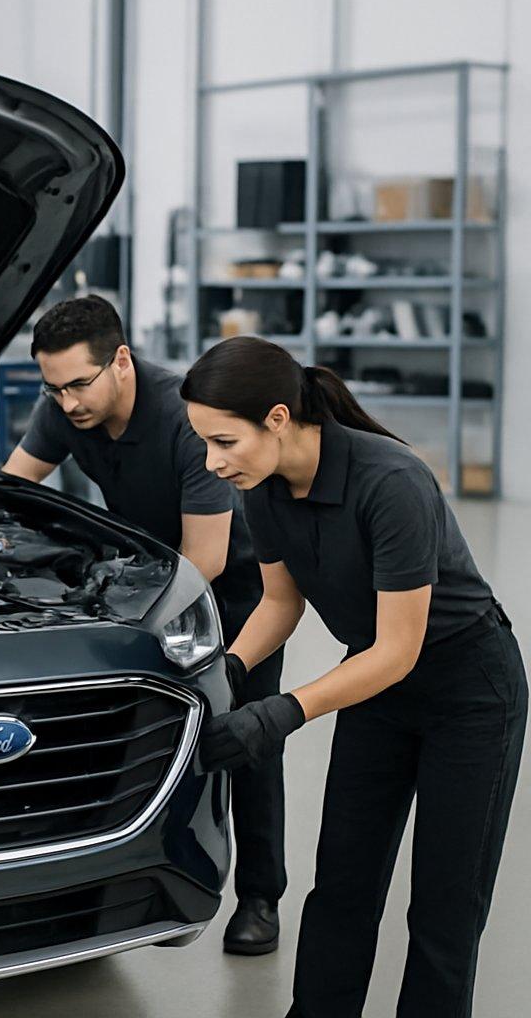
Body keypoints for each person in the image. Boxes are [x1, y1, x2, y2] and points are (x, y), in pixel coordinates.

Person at [182, 335, 525, 1018]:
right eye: (205, 446)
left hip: (470, 690)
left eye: (225, 442)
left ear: (277, 419)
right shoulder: (265, 489)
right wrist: (231, 668)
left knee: (444, 903)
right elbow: (281, 602)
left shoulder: (390, 481)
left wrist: (280, 712)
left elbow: (401, 648)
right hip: (377, 688)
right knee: (342, 883)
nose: (214, 464)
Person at [3, 295, 287, 953]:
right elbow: (13, 485)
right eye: (54, 388)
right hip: (144, 579)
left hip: (237, 592)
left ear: (121, 361)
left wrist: (128, 618)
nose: (67, 402)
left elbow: (207, 559)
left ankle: (261, 898)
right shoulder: (64, 410)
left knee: (244, 738)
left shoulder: (184, 420)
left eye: (79, 383)